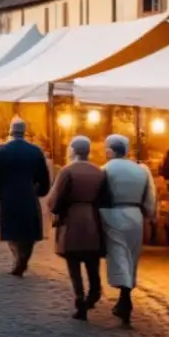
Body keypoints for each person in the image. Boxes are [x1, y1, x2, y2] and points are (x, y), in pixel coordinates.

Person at [100, 134, 156, 326]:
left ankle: (124, 300)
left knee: (118, 256)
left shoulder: (105, 170)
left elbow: (99, 195)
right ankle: (125, 296)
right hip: (135, 215)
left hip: (113, 214)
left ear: (110, 150)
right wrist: (148, 215)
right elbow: (150, 198)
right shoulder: (141, 170)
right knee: (131, 258)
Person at [48, 136, 106, 320]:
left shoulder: (67, 171)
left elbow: (55, 199)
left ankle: (79, 299)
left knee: (73, 264)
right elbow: (104, 199)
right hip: (92, 219)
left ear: (73, 150)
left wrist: (56, 212)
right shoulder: (99, 172)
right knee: (92, 261)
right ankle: (95, 291)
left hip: (72, 219)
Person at [0, 118, 51, 277]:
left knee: (12, 230)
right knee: (29, 231)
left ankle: (18, 257)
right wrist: (40, 191)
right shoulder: (35, 151)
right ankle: (23, 258)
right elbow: (44, 178)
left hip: (8, 195)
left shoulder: (1, 150)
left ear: (10, 131)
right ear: (25, 132)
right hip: (28, 193)